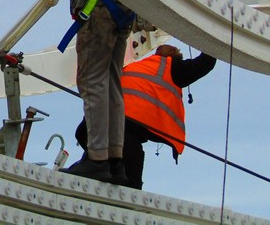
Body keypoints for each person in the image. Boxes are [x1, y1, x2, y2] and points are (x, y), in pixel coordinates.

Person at [73, 45, 216, 189]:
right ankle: (127, 183)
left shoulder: (134, 66)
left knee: (100, 155)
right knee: (130, 173)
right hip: (132, 121)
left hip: (98, 121)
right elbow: (205, 63)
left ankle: (93, 167)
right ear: (174, 55)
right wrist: (212, 40)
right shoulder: (172, 66)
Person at [58, 0, 136, 184]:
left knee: (92, 81)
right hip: (123, 7)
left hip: (99, 3)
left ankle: (98, 159)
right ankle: (114, 159)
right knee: (111, 83)